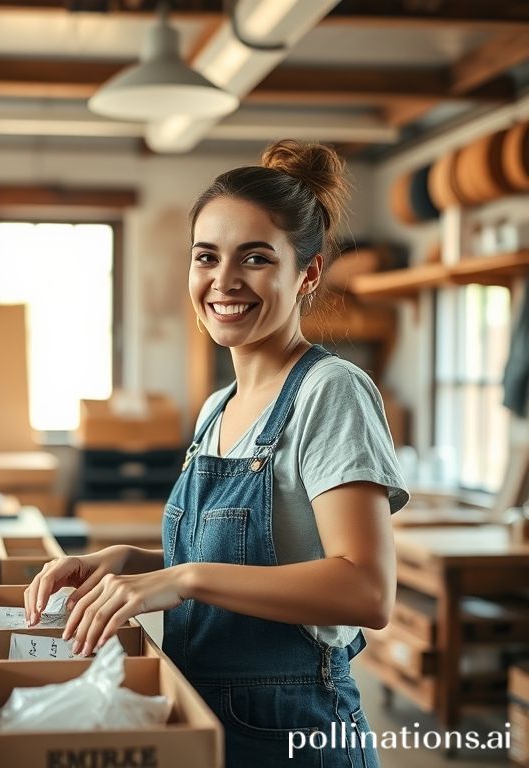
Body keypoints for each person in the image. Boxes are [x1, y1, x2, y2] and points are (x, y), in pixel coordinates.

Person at [24, 139, 409, 767]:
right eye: (207, 257)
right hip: (204, 715)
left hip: (296, 731)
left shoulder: (329, 391)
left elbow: (366, 590)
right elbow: (269, 555)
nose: (224, 282)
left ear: (306, 273)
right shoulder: (217, 408)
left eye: (255, 258)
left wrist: (182, 577)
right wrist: (133, 559)